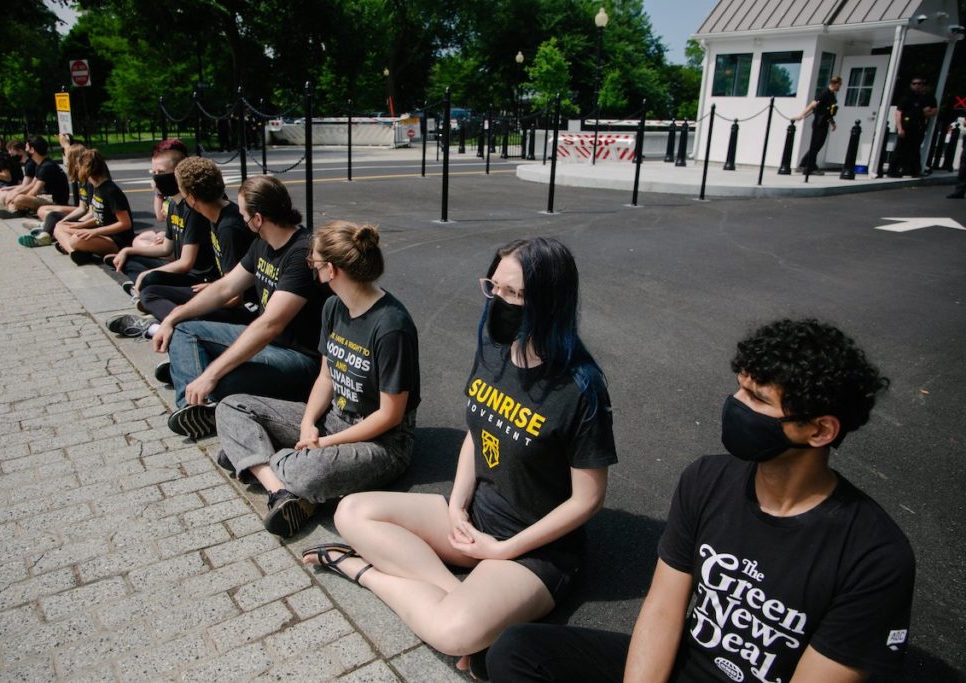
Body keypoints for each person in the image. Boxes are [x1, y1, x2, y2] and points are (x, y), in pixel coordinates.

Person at [485, 318, 915, 683]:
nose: (735, 405)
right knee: (517, 650)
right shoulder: (708, 478)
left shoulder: (874, 556)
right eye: (740, 390)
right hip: (687, 666)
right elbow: (663, 609)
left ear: (820, 431)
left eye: (757, 399)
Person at [303, 237, 617, 678]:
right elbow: (478, 431)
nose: (499, 302)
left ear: (549, 301)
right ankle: (458, 593)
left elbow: (588, 500)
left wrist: (503, 549)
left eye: (516, 294)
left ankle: (359, 570)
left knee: (452, 633)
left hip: (533, 550)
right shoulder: (493, 349)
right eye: (494, 287)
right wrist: (455, 505)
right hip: (475, 521)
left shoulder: (580, 387)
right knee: (352, 511)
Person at [215, 220, 419, 538]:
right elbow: (327, 375)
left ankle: (257, 461)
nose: (313, 268)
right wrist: (309, 423)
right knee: (231, 407)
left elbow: (390, 415)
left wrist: (322, 444)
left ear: (332, 270)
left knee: (310, 470)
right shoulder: (333, 307)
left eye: (315, 262)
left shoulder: (392, 326)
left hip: (381, 443)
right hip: (332, 421)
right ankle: (281, 492)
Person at [151, 175, 325, 440]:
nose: (240, 218)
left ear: (257, 219)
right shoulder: (262, 243)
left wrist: (210, 374)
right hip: (271, 346)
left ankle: (192, 385)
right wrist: (172, 317)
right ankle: (194, 406)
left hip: (299, 359)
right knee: (184, 329)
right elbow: (224, 288)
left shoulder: (301, 254)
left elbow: (270, 325)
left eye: (243, 214)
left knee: (222, 381)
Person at [109, 139, 216, 308]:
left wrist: (148, 274)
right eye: (154, 172)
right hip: (180, 268)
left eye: (161, 172)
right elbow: (166, 248)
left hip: (196, 276)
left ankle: (144, 291)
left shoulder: (193, 209)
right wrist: (128, 249)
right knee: (130, 259)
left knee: (150, 279)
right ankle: (141, 288)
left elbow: (186, 263)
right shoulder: (174, 204)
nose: (156, 177)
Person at [52, 149, 134, 265]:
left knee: (76, 239)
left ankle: (76, 250)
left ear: (86, 170)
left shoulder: (111, 191)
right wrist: (81, 225)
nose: (76, 169)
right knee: (60, 227)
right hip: (102, 234)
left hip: (116, 241)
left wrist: (94, 232)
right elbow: (101, 217)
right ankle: (75, 253)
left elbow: (125, 224)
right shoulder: (96, 187)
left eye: (78, 167)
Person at [17, 143, 88, 248]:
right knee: (44, 211)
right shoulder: (82, 179)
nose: (66, 163)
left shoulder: (89, 181)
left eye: (68, 160)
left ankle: (45, 232)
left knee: (54, 217)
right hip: (82, 211)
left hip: (87, 215)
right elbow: (82, 207)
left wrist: (78, 223)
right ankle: (46, 228)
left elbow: (89, 211)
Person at [0, 136, 71, 220]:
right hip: (47, 197)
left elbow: (35, 190)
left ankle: (16, 209)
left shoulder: (47, 166)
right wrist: (14, 194)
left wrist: (19, 199)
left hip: (56, 201)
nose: (25, 150)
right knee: (17, 196)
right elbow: (31, 185)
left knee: (20, 199)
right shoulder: (40, 164)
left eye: (27, 148)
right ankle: (15, 209)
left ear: (32, 150)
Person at [890, 76, 938, 178]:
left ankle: (914, 171)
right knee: (900, 149)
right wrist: (900, 128)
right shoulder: (907, 97)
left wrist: (926, 113)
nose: (917, 86)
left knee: (915, 150)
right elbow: (898, 113)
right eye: (914, 83)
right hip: (906, 126)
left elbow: (933, 111)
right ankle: (893, 170)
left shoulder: (925, 98)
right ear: (911, 85)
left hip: (918, 127)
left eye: (919, 84)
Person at [794, 76, 842, 175]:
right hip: (818, 123)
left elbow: (829, 110)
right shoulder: (824, 93)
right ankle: (810, 167)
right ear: (835, 84)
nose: (839, 87)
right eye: (839, 85)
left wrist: (832, 122)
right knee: (815, 145)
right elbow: (813, 104)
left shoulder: (832, 95)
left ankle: (803, 165)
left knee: (817, 145)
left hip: (825, 122)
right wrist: (801, 115)